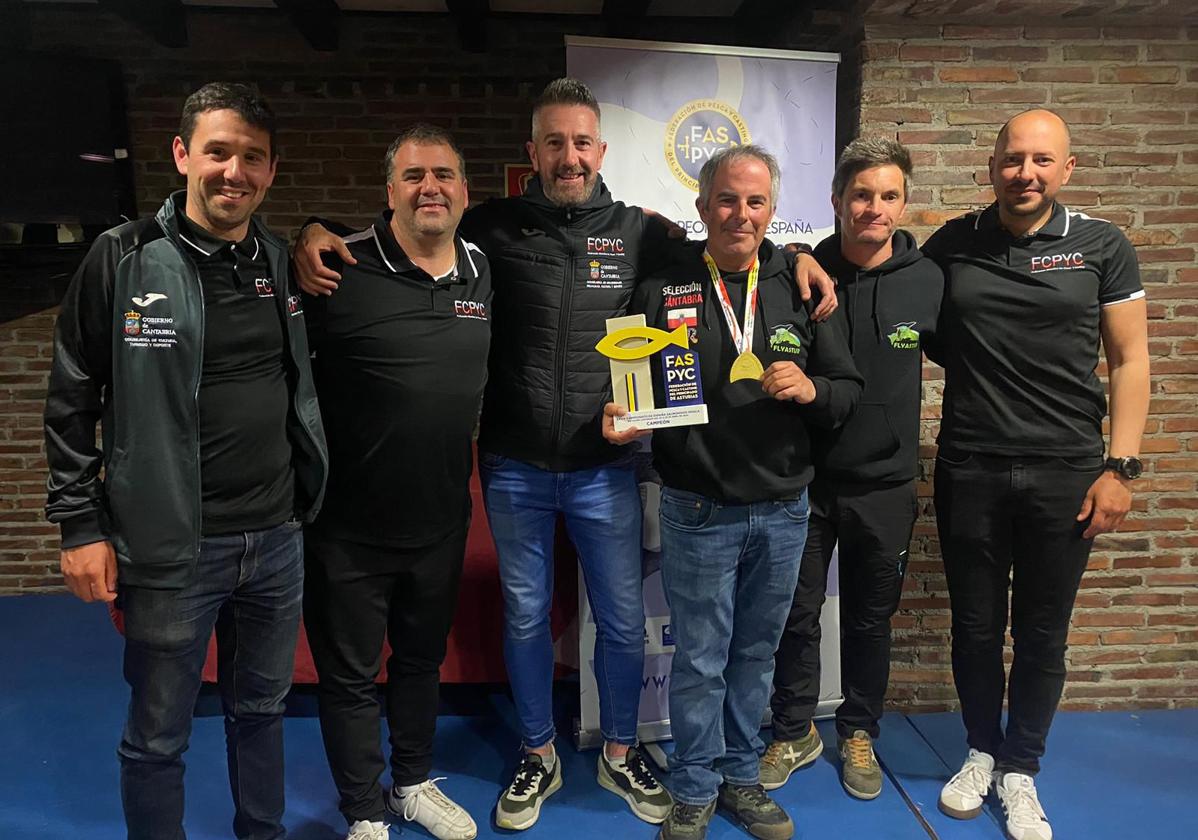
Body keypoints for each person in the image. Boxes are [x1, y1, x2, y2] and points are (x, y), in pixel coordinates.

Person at [293, 78, 838, 831]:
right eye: (554, 142)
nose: (569, 156)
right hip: (514, 463)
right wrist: (313, 230)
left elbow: (731, 250)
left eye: (582, 142)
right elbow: (408, 227)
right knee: (524, 616)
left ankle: (619, 751)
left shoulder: (644, 233)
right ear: (533, 153)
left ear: (601, 150)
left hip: (605, 462)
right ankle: (537, 751)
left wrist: (801, 255)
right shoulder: (491, 227)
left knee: (618, 619)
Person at [43, 82, 328, 840]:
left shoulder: (276, 258)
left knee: (262, 713)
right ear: (182, 155)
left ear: (269, 171)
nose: (234, 171)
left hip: (275, 538)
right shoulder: (123, 257)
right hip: (171, 546)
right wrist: (79, 524)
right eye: (218, 152)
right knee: (158, 735)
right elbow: (72, 396)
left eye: (252, 158)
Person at [604, 145, 863, 840]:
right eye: (726, 199)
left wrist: (812, 388)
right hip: (697, 509)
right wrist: (624, 416)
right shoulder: (663, 286)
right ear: (702, 207)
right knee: (700, 661)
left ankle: (742, 779)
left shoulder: (802, 283)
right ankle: (693, 786)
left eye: (755, 202)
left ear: (773, 212)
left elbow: (846, 391)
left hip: (783, 512)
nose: (739, 214)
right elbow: (632, 388)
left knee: (755, 656)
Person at [925, 109, 1149, 840]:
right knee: (976, 627)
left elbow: (1130, 362)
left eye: (1042, 161)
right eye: (1014, 159)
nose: (1026, 173)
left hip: (1067, 472)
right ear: (991, 166)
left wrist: (1121, 467)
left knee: (1044, 633)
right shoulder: (955, 241)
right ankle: (981, 752)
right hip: (970, 464)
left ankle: (1022, 769)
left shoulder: (1101, 245)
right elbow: (886, 284)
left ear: (1067, 169)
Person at [301, 125, 489, 840]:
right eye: (413, 176)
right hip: (345, 526)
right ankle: (362, 812)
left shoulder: (481, 269)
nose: (430, 188)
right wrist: (307, 227)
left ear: (465, 192)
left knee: (419, 662)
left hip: (440, 519)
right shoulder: (336, 267)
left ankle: (411, 782)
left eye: (443, 174)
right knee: (349, 677)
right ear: (389, 193)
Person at [762, 138, 942, 801]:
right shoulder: (798, 272)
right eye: (860, 194)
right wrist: (796, 254)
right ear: (837, 200)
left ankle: (858, 729)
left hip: (888, 485)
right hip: (804, 481)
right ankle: (791, 729)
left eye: (888, 195)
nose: (873, 208)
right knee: (796, 617)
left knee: (871, 618)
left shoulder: (929, 279)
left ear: (903, 202)